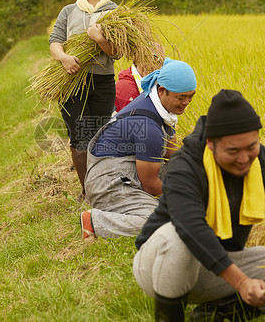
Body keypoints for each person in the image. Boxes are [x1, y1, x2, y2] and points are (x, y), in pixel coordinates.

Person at [132, 89, 265, 322]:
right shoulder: (184, 166)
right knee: (177, 237)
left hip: (220, 261)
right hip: (158, 266)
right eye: (233, 151)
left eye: (251, 147)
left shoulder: (264, 162)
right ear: (211, 144)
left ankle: (220, 313)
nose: (244, 158)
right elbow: (191, 229)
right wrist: (242, 282)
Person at [80, 58, 197, 240]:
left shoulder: (159, 106)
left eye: (191, 96)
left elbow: (168, 151)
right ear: (162, 91)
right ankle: (96, 222)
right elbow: (150, 185)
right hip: (108, 184)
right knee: (166, 222)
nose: (187, 102)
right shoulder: (149, 127)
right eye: (181, 97)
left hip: (126, 170)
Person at [49, 0, 117, 197]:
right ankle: (87, 190)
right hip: (70, 80)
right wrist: (64, 58)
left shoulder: (116, 13)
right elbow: (55, 40)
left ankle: (101, 184)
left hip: (102, 82)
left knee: (99, 134)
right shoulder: (69, 10)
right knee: (79, 135)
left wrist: (99, 39)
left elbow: (117, 53)